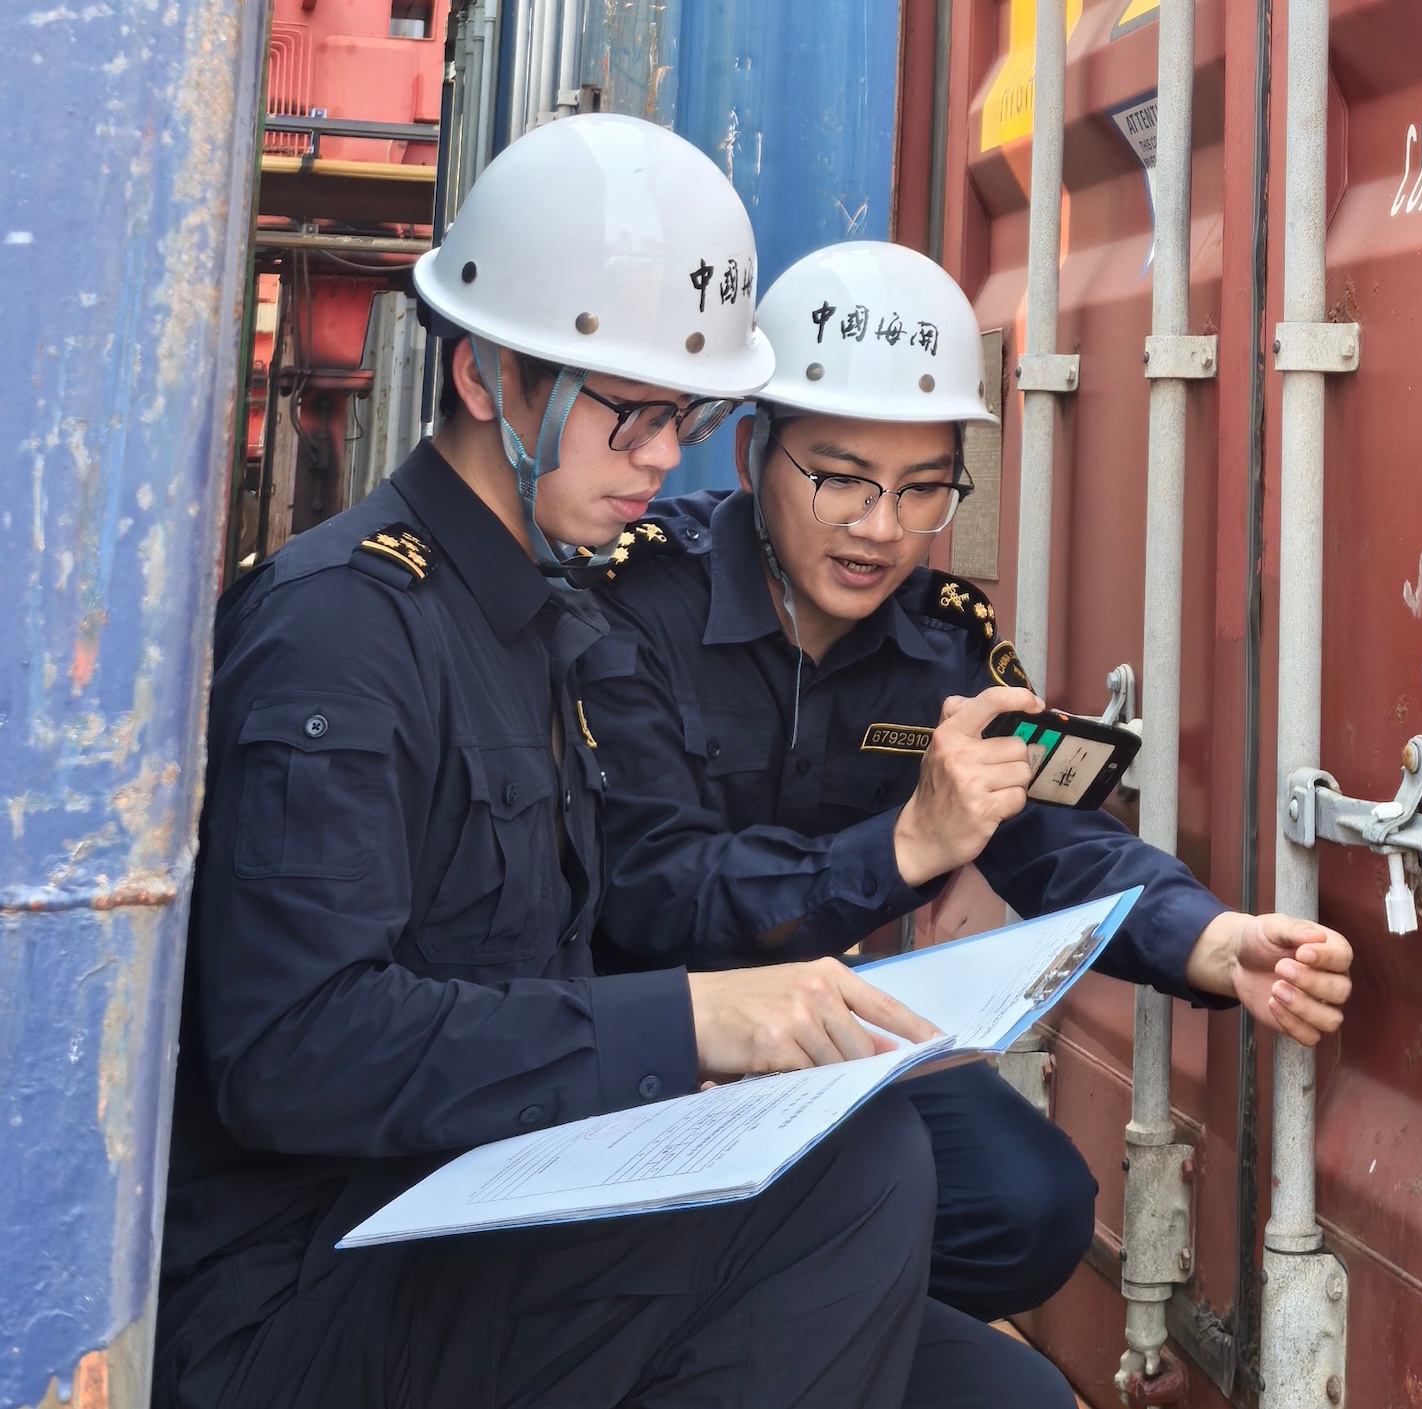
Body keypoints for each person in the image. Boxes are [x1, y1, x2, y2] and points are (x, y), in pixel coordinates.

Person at [157, 118, 1067, 1409]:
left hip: (480, 1193)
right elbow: (295, 1048)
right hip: (314, 1277)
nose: (660, 456)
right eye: (628, 412)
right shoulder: (341, 635)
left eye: (683, 415)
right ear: (486, 376)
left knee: (1002, 1397)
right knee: (857, 1182)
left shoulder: (541, 618)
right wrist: (691, 1018)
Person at [582, 240, 1358, 1322]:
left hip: (819, 1048)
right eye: (841, 478)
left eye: (924, 488)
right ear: (756, 448)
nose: (881, 528)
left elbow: (1052, 837)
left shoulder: (944, 641)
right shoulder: (633, 607)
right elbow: (650, 883)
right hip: (637, 1045)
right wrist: (904, 846)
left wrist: (1212, 939)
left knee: (1029, 1205)